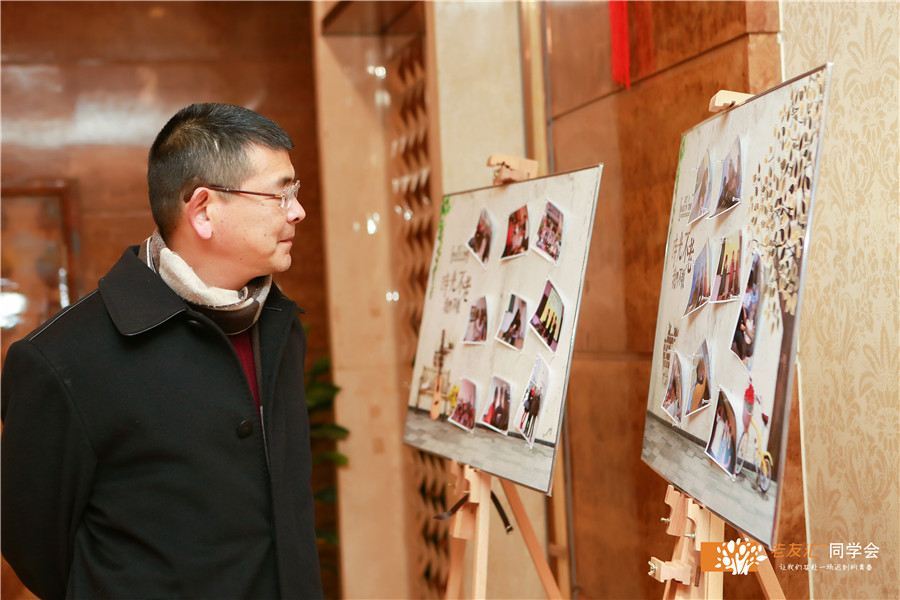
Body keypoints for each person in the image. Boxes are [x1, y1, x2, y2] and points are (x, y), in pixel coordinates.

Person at [1, 103, 323, 599]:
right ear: (204, 210)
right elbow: (34, 541)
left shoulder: (279, 320)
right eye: (280, 194)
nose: (297, 211)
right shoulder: (61, 359)